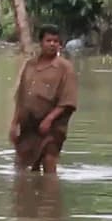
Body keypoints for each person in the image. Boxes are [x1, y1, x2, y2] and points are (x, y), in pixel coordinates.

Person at [10, 25, 79, 174]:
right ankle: (28, 194)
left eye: (56, 41)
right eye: (49, 40)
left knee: (49, 161)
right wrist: (14, 123)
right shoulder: (30, 65)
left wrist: (49, 119)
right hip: (28, 125)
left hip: (52, 127)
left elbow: (68, 101)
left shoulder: (65, 68)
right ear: (41, 42)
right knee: (21, 167)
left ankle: (49, 194)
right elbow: (21, 97)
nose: (52, 44)